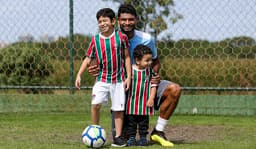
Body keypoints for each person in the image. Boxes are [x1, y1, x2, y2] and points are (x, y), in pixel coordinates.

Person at [88, 4, 181, 147]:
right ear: (117, 20)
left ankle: (158, 131)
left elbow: (155, 61)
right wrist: (93, 68)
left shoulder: (146, 38)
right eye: (123, 20)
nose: (127, 23)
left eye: (130, 19)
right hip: (121, 86)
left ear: (136, 20)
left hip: (145, 83)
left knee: (174, 89)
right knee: (121, 138)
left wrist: (153, 76)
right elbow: (94, 60)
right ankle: (121, 129)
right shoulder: (109, 38)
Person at [75, 8, 131, 147]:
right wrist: (79, 74)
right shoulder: (95, 40)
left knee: (118, 109)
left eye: (105, 20)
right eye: (99, 21)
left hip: (118, 80)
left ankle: (118, 137)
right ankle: (95, 130)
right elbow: (88, 58)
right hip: (101, 79)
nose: (102, 23)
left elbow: (127, 57)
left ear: (113, 22)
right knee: (95, 104)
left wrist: (129, 77)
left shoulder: (121, 38)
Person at [126, 44, 157, 146]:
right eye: (147, 60)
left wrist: (151, 98)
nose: (150, 62)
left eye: (151, 60)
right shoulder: (130, 70)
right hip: (131, 103)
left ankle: (143, 138)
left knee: (144, 122)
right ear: (138, 60)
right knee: (131, 122)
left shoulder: (150, 72)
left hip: (144, 103)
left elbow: (153, 85)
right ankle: (131, 138)